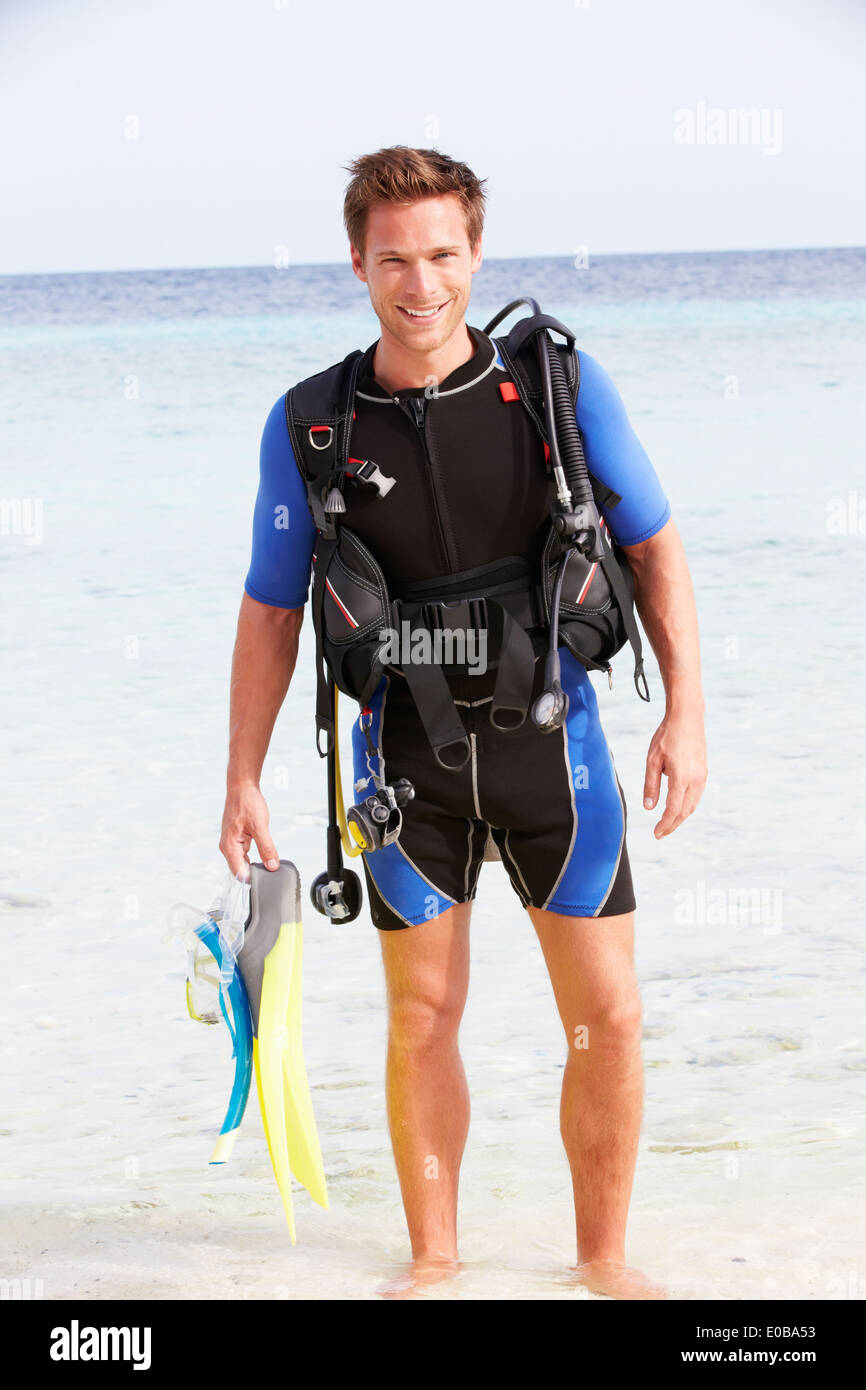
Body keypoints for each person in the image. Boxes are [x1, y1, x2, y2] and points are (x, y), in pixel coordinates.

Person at [220, 146, 707, 1299]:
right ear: (356, 262)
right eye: (393, 257)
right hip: (403, 765)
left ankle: (600, 1262)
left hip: (559, 753)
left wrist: (685, 713)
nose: (420, 281)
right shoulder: (312, 425)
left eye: (442, 253)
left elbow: (653, 547)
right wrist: (241, 774)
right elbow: (268, 608)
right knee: (420, 1015)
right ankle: (434, 1259)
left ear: (476, 254)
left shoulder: (556, 391)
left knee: (610, 1015)